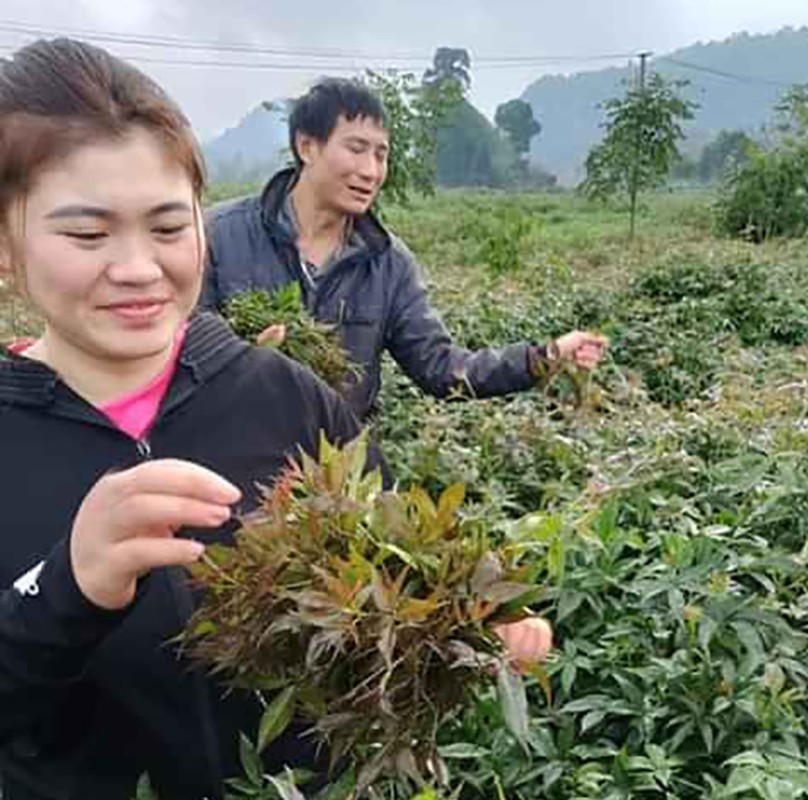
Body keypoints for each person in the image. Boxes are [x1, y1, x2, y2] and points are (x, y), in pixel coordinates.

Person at [0, 39, 551, 800]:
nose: (136, 267)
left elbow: (393, 563)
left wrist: (470, 621)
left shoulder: (287, 397)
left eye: (167, 227)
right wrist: (64, 590)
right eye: (87, 234)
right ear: (6, 241)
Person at [201, 78, 608, 420]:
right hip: (233, 459)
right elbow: (172, 353)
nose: (371, 171)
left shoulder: (388, 263)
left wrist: (544, 357)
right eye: (356, 149)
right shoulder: (219, 235)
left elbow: (442, 368)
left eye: (381, 155)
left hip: (335, 472)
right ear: (307, 147)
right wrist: (246, 360)